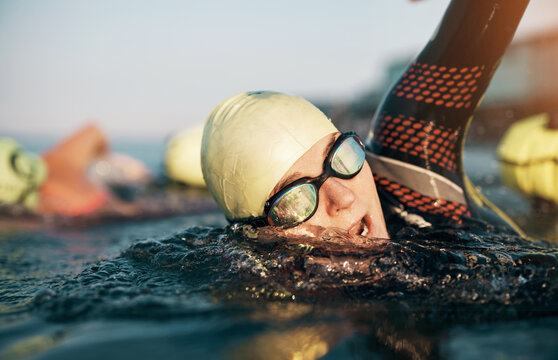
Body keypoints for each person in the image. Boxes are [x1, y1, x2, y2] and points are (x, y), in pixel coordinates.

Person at [201, 0, 529, 238]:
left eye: (342, 155)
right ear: (256, 234)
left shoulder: (409, 162)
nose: (344, 197)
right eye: (296, 198)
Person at [0, 123, 151, 218]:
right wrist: (105, 160)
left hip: (119, 213)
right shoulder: (55, 159)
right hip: (123, 192)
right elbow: (94, 130)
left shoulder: (46, 206)